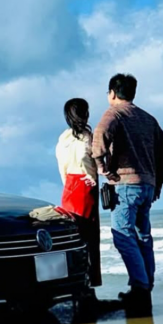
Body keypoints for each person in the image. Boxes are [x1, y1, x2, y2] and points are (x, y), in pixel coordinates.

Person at [92, 73, 163, 316]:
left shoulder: (114, 113)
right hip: (147, 185)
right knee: (143, 237)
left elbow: (98, 140)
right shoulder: (148, 118)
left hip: (126, 184)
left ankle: (140, 288)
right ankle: (144, 287)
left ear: (112, 93)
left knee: (123, 236)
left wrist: (103, 169)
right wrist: (159, 181)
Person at [56, 98, 102, 296]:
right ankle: (90, 281)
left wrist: (68, 183)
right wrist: (94, 177)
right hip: (85, 186)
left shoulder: (63, 138)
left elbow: (62, 168)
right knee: (90, 236)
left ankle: (74, 282)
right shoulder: (88, 137)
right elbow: (91, 163)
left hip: (68, 187)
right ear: (85, 115)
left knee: (73, 235)